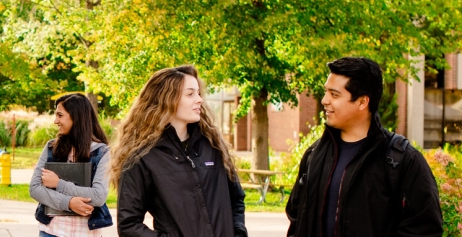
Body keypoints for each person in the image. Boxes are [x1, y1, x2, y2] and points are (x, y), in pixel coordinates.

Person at [286, 57, 443, 237]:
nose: (324, 100)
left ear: (362, 102)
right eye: (325, 92)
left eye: (334, 94)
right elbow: (296, 219)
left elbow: (424, 229)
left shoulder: (402, 160)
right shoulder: (314, 155)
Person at [110, 65, 247, 237]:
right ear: (166, 99)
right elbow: (129, 224)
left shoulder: (213, 146)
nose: (199, 100)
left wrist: (238, 233)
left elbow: (236, 199)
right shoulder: (143, 158)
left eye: (198, 93)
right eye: (190, 94)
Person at [30, 93, 112, 237]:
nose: (56, 121)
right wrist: (68, 202)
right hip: (51, 232)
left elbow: (98, 196)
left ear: (77, 117)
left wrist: (59, 184)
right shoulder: (51, 148)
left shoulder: (102, 152)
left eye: (60, 115)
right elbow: (35, 189)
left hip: (86, 233)